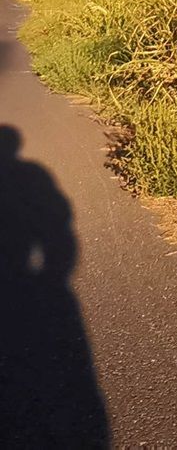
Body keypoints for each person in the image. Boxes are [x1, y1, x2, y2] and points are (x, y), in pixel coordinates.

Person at [0, 124, 110, 445]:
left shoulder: (30, 174)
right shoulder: (33, 173)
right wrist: (53, 274)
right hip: (41, 281)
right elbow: (59, 227)